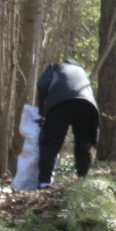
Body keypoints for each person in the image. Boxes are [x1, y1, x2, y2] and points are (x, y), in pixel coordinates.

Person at [36, 58, 99, 188]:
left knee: (51, 142)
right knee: (83, 142)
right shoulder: (82, 72)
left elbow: (42, 85)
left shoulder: (54, 67)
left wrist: (42, 112)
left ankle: (44, 182)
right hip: (86, 105)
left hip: (59, 104)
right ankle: (82, 178)